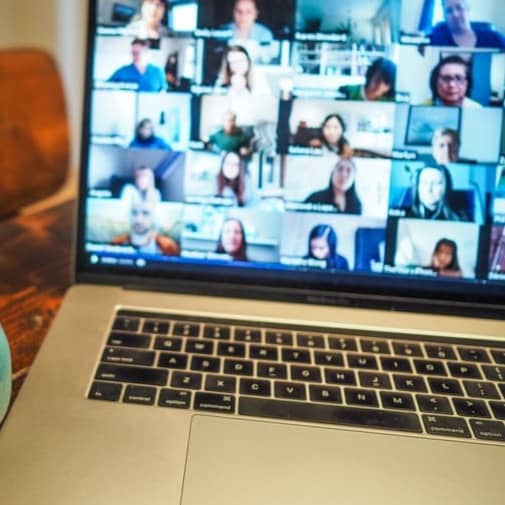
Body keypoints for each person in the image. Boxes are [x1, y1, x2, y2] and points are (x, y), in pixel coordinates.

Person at [111, 199, 179, 255]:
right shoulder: (117, 243)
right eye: (134, 213)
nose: (138, 219)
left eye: (145, 213)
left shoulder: (168, 247)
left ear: (154, 217)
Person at [429, 0, 505, 49]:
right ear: (444, 16)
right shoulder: (436, 41)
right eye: (449, 11)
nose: (455, 14)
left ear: (468, 10)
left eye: (459, 8)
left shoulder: (494, 38)